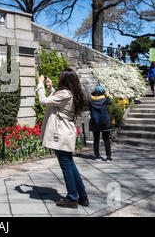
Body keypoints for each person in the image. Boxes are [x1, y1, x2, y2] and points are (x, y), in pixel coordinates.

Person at [36, 69, 88, 209]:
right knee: (70, 165)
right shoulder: (71, 92)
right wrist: (51, 88)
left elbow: (44, 101)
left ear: (64, 79)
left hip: (62, 133)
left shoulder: (65, 93)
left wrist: (40, 84)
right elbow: (57, 101)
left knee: (66, 167)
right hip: (67, 131)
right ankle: (82, 196)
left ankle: (72, 198)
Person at [88, 86, 112, 162]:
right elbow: (110, 102)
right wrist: (106, 95)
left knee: (96, 139)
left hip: (95, 122)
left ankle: (97, 156)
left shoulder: (90, 101)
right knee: (106, 140)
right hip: (105, 122)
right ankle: (108, 157)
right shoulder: (105, 100)